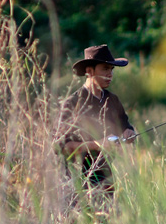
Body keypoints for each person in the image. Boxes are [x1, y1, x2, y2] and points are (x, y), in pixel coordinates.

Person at [58, 44, 137, 196]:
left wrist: (129, 133)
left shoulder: (113, 100)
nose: (110, 74)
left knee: (107, 219)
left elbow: (127, 128)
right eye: (105, 69)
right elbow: (61, 147)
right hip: (76, 183)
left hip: (106, 181)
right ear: (89, 71)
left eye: (111, 70)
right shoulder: (72, 103)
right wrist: (95, 145)